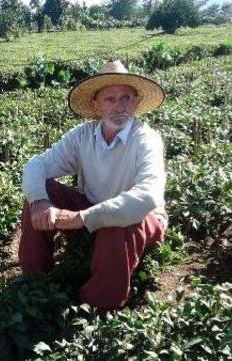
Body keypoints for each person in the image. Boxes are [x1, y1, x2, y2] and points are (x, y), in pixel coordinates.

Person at [17, 59, 168, 311]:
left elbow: (147, 197)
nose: (119, 106)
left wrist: (81, 218)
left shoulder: (146, 140)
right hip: (91, 208)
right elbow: (37, 165)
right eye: (110, 99)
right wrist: (41, 202)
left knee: (116, 223)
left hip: (140, 220)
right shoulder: (83, 136)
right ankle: (34, 280)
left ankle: (99, 308)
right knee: (42, 191)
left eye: (126, 98)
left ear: (137, 102)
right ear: (95, 104)